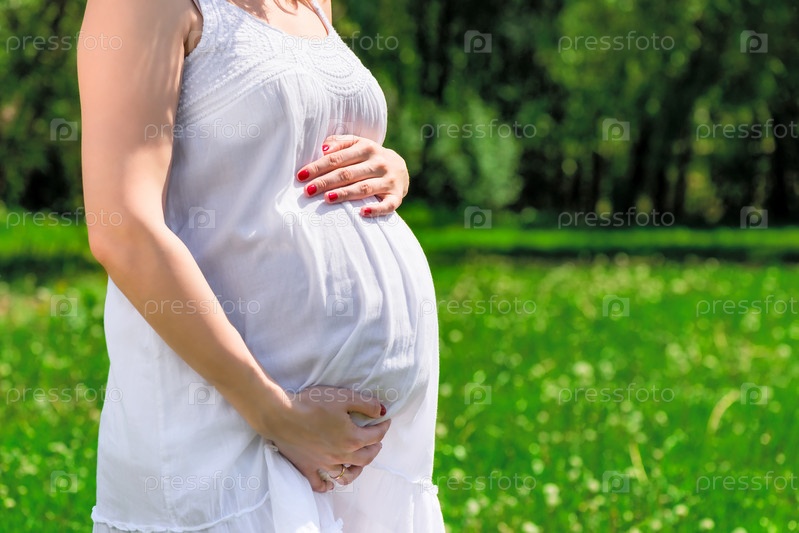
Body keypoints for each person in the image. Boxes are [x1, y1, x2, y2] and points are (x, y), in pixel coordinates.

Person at [77, 0, 445, 530]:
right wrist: (276, 414)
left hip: (370, 457)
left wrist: (389, 167)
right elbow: (124, 229)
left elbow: (284, 156)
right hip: (228, 426)